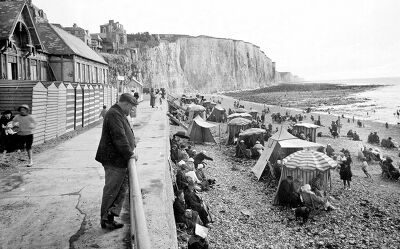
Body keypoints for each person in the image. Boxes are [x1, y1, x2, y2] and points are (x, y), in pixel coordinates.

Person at [95, 93, 138, 230]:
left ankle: (110, 217)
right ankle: (106, 219)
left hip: (118, 160)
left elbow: (124, 134)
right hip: (113, 161)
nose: (131, 110)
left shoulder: (118, 113)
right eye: (131, 107)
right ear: (125, 104)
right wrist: (130, 153)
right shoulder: (114, 114)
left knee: (119, 188)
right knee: (111, 190)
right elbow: (119, 137)